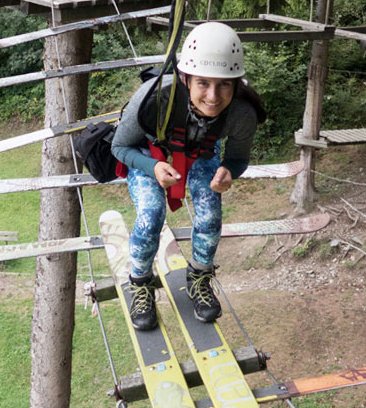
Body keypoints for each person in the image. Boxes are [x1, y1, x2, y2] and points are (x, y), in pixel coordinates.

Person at [110, 22, 265, 331]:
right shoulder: (154, 98)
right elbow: (119, 146)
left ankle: (200, 278)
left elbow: (237, 158)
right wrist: (152, 167)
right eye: (203, 84)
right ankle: (140, 283)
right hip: (149, 154)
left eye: (224, 85)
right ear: (186, 79)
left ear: (236, 84)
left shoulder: (241, 113)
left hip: (199, 155)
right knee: (151, 214)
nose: (213, 95)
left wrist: (229, 171)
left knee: (209, 215)